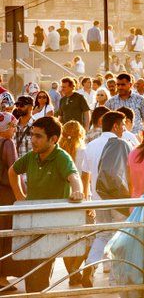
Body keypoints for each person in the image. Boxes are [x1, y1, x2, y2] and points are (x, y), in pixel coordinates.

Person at [9, 116, 84, 293]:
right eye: (32, 135)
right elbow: (13, 171)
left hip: (51, 224)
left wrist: (77, 191)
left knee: (40, 272)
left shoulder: (60, 157)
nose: (33, 140)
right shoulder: (31, 156)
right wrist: (20, 198)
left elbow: (74, 177)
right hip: (31, 221)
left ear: (53, 139)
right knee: (29, 270)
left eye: (38, 136)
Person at [82, 110, 131, 273]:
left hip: (98, 197)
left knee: (102, 234)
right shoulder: (123, 144)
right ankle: (116, 269)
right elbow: (130, 172)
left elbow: (85, 174)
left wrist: (86, 199)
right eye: (123, 125)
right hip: (119, 198)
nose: (124, 128)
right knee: (121, 233)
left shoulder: (91, 145)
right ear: (116, 126)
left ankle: (92, 264)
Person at [59, 120, 90, 287]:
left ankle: (71, 272)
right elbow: (86, 178)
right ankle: (75, 270)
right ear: (81, 133)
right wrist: (86, 200)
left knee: (67, 240)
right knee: (88, 238)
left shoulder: (58, 152)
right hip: (81, 197)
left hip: (63, 198)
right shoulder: (84, 151)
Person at [0, 113, 17, 289]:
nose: (14, 130)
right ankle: (2, 277)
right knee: (4, 237)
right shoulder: (7, 143)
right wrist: (22, 196)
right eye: (12, 126)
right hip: (5, 195)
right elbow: (14, 171)